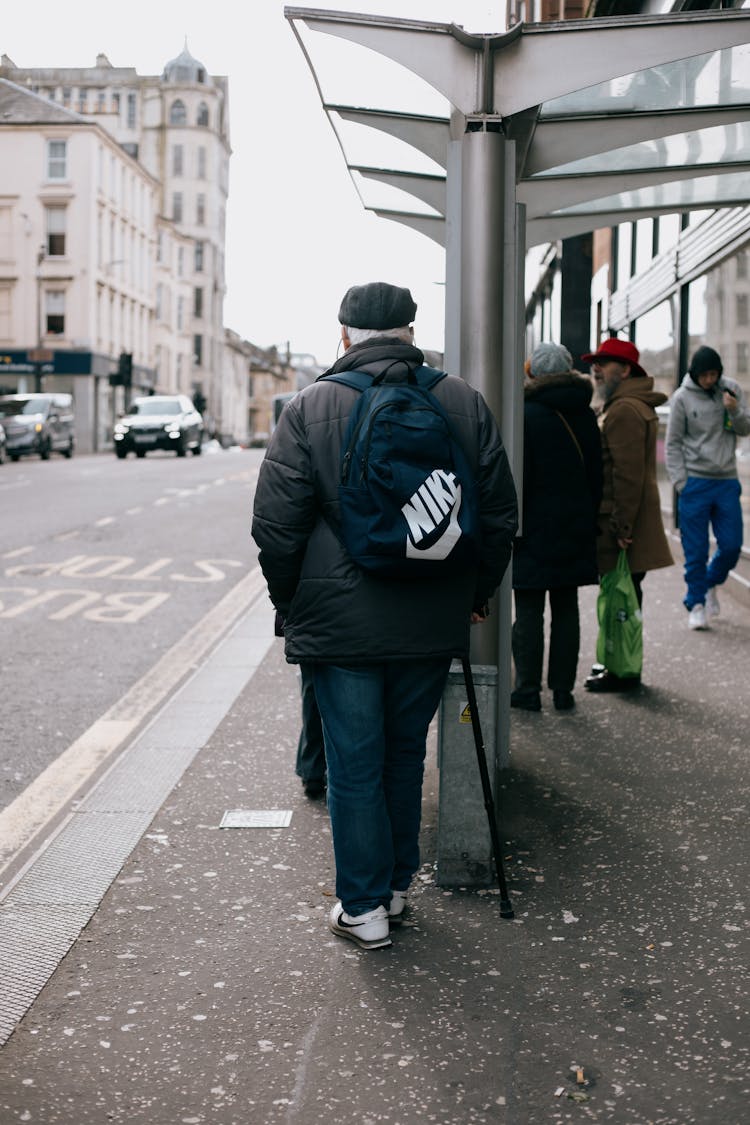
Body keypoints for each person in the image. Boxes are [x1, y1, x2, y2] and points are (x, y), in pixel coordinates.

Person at [252, 281, 518, 950]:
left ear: (343, 335)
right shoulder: (461, 401)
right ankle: (397, 888)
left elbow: (276, 526)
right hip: (431, 617)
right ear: (409, 331)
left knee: (354, 764)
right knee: (404, 756)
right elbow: (498, 515)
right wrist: (474, 592)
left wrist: (292, 603)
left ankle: (364, 907)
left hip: (340, 625)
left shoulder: (310, 406)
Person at [511, 343, 603, 713]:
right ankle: (563, 691)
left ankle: (528, 690)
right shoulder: (585, 413)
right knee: (567, 610)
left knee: (529, 612)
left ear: (532, 371)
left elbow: (521, 477)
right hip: (575, 527)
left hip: (533, 528)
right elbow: (597, 475)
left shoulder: (526, 414)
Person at [581, 338, 673, 693]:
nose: (597, 368)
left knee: (620, 599)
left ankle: (621, 671)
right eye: (596, 362)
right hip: (631, 522)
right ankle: (621, 665)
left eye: (606, 363)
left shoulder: (622, 411)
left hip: (621, 526)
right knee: (626, 597)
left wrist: (621, 526)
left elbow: (627, 474)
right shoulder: (628, 405)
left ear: (627, 370)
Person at [665, 345, 749, 630]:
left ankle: (710, 583)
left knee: (731, 545)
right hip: (695, 483)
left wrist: (735, 411)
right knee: (696, 549)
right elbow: (673, 443)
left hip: (726, 480)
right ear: (695, 374)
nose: (710, 380)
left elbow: (745, 428)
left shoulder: (732, 390)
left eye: (714, 374)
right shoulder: (681, 398)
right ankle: (696, 602)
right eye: (705, 375)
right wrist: (681, 482)